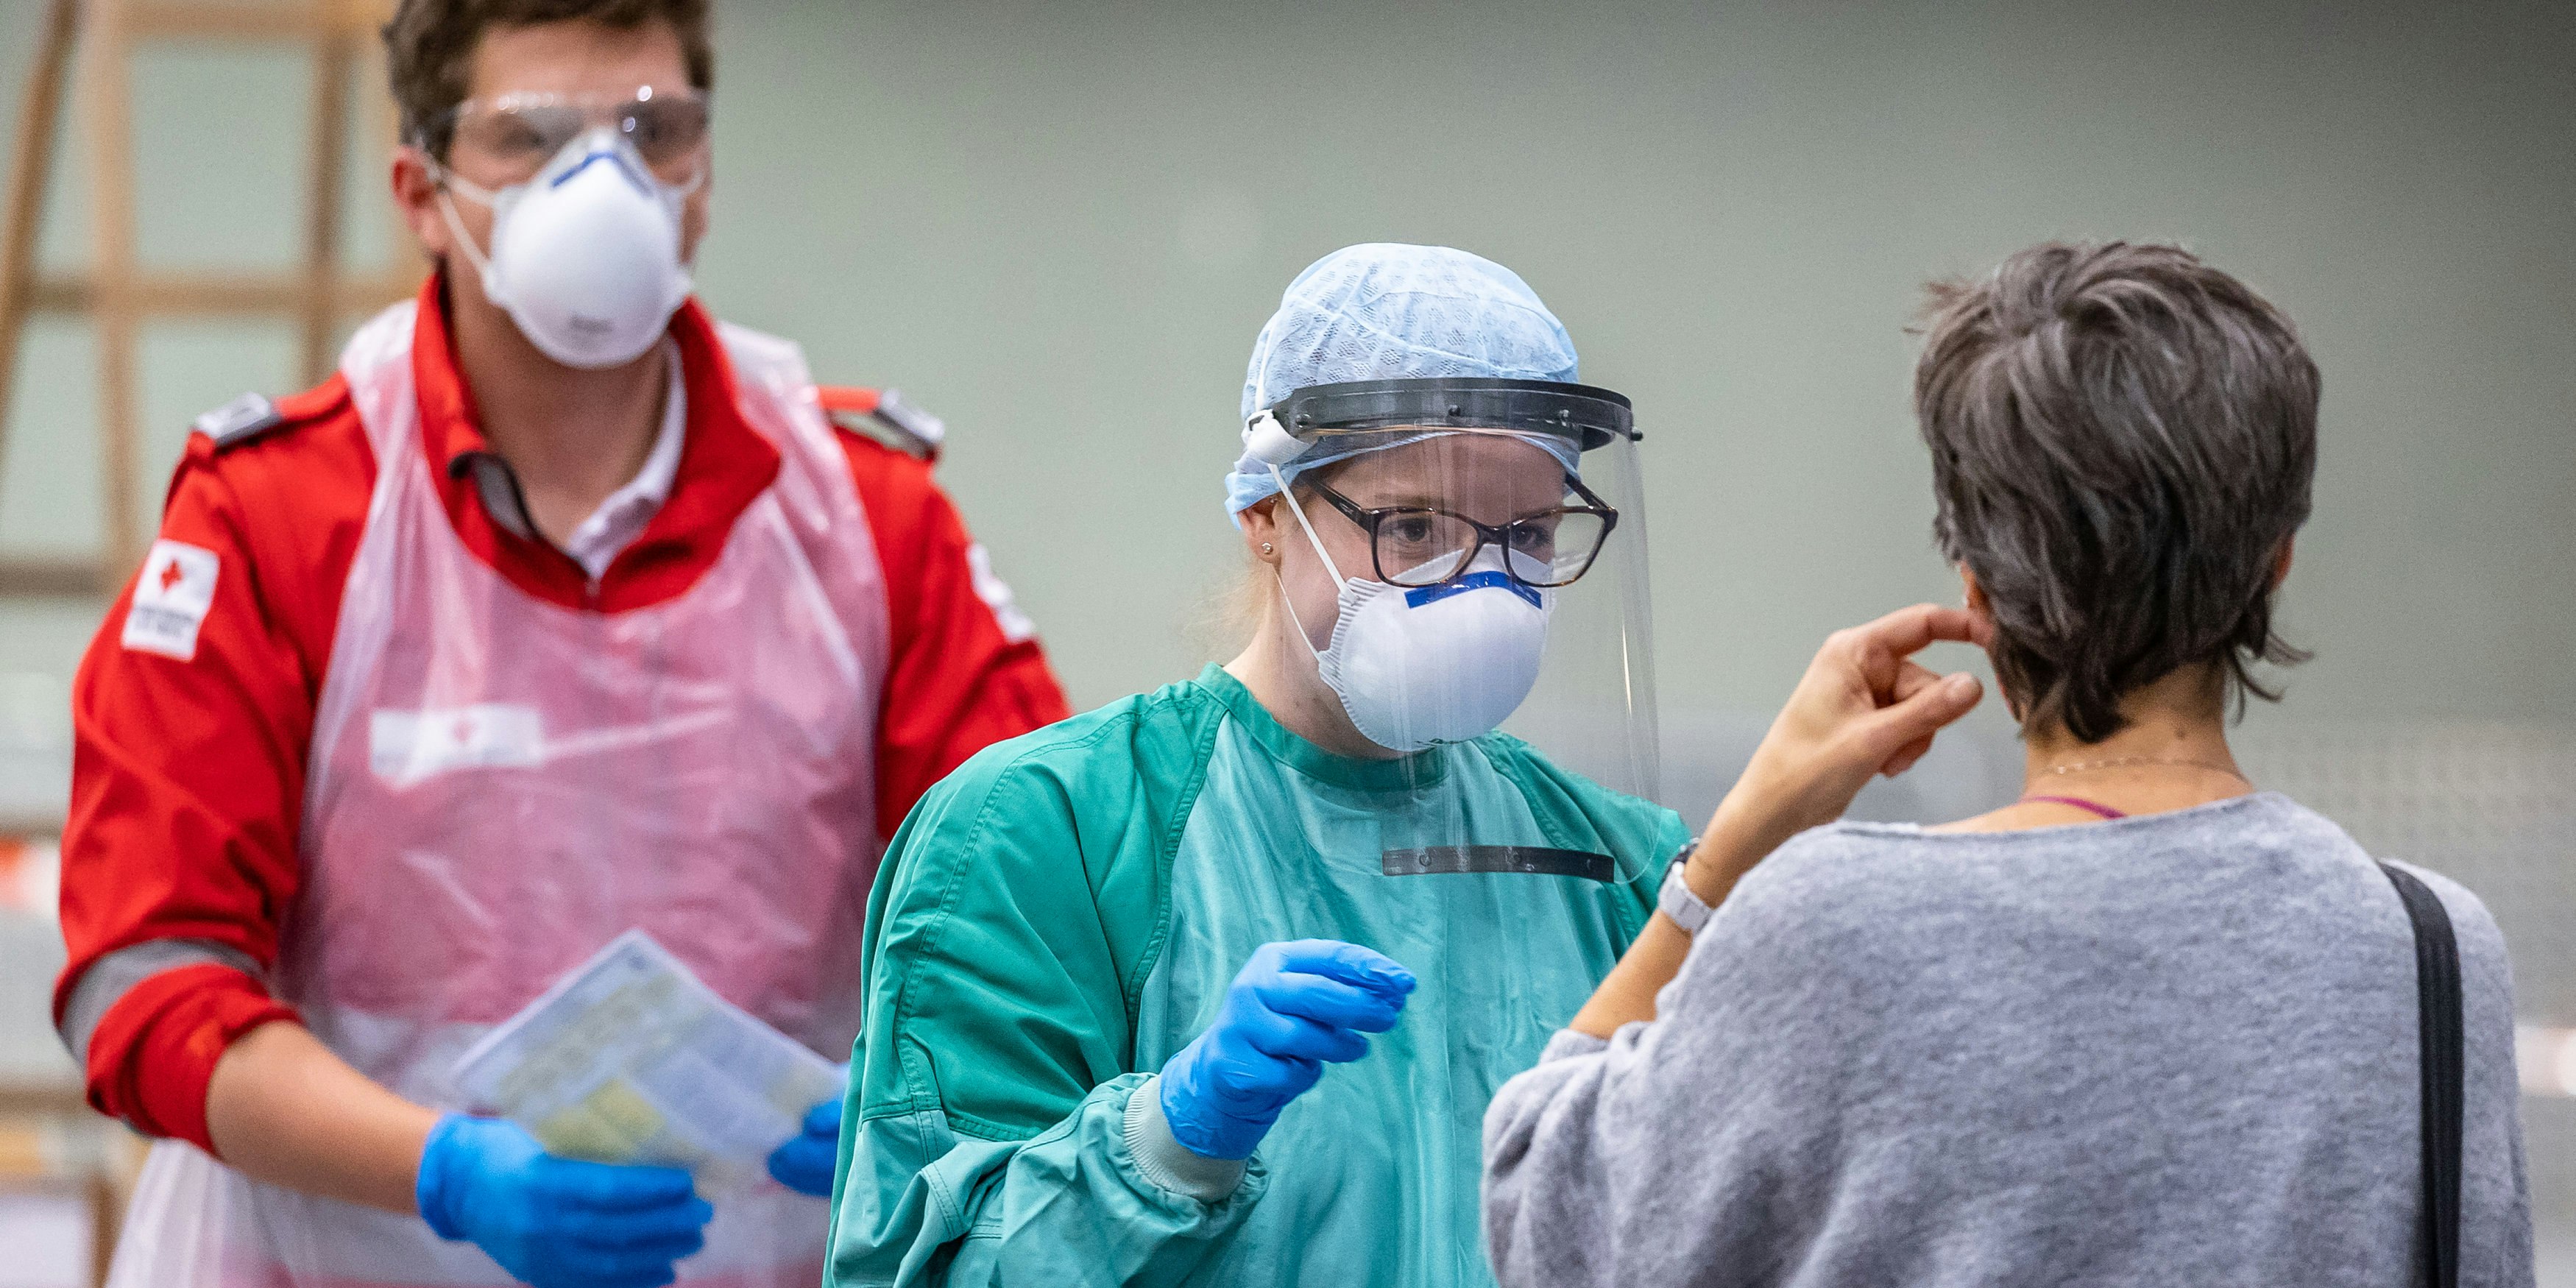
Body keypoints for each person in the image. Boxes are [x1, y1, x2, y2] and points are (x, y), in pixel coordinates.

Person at [50, 2, 1070, 1286]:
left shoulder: (868, 518)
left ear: (702, 183)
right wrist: (445, 1169)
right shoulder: (276, 518)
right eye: (529, 138)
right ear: (421, 192)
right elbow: (145, 984)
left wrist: (926, 1079)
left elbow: (1037, 914)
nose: (606, 184)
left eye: (656, 130)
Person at [1481, 241, 2536, 1287]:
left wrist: (1728, 859)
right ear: (2276, 562)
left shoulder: (1831, 929)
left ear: (1975, 583)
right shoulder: (2434, 952)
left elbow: (1543, 1217)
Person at [823, 243, 1691, 1287]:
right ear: (1265, 512)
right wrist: (1165, 1142)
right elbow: (923, 1270)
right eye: (1415, 524)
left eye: (1530, 534)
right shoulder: (1045, 833)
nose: (1485, 587)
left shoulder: (1623, 869)